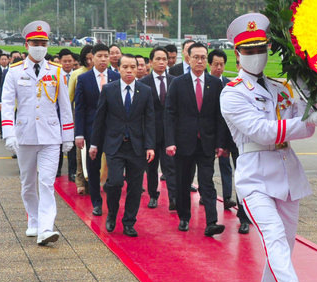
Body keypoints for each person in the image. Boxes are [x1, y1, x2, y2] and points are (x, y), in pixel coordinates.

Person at [220, 13, 317, 282]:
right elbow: (264, 132)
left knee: (277, 258)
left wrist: (315, 100)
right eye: (248, 49)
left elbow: (307, 124)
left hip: (287, 177)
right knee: (273, 241)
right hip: (255, 178)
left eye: (261, 47)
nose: (256, 54)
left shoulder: (282, 88)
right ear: (236, 54)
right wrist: (305, 121)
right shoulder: (232, 93)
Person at [1, 20, 74, 246]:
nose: (40, 47)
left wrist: (68, 136)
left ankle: (45, 228)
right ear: (26, 44)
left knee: (46, 182)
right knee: (27, 183)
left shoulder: (57, 71)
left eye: (43, 43)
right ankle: (33, 220)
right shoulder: (14, 72)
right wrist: (9, 133)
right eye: (35, 42)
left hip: (51, 136)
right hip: (25, 135)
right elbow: (6, 103)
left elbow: (65, 105)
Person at [164, 42, 226, 236]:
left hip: (206, 142)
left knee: (207, 182)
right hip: (183, 142)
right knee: (183, 181)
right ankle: (184, 217)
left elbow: (219, 116)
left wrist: (220, 143)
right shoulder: (178, 83)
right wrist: (170, 141)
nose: (200, 61)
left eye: (203, 57)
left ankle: (211, 221)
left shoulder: (215, 84)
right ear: (188, 59)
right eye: (196, 57)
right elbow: (170, 114)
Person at [90, 54, 155, 236]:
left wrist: (150, 146)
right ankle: (112, 213)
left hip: (137, 146)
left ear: (138, 69)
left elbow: (149, 121)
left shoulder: (145, 91)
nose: (129, 70)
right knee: (116, 182)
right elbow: (100, 119)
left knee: (135, 186)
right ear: (118, 68)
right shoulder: (109, 90)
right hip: (115, 145)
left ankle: (128, 222)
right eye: (125, 67)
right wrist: (94, 144)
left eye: (133, 67)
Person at [209, 48, 250, 233]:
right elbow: (221, 119)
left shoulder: (259, 87)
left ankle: (244, 217)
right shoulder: (226, 87)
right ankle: (226, 198)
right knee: (226, 170)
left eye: (221, 64)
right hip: (228, 140)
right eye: (216, 64)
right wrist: (222, 144)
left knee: (244, 178)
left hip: (247, 142)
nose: (219, 67)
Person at [75, 43, 119, 216]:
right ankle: (97, 202)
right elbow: (80, 108)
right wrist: (79, 134)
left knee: (115, 164)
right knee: (93, 167)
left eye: (106, 56)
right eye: (99, 56)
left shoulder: (116, 77)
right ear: (91, 58)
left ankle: (110, 190)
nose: (103, 59)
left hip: (113, 130)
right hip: (92, 130)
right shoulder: (84, 79)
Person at [140, 47, 177, 210]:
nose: (162, 62)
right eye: (158, 59)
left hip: (170, 131)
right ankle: (153, 195)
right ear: (151, 62)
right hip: (151, 131)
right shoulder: (143, 83)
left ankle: (174, 197)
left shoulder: (174, 81)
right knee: (152, 166)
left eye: (164, 59)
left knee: (170, 165)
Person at [69, 45, 94, 194]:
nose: (90, 62)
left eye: (93, 58)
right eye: (88, 59)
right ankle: (81, 180)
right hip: (81, 115)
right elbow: (69, 97)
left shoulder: (106, 75)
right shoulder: (78, 74)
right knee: (81, 152)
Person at [57, 48, 77, 180]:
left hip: (74, 114)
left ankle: (72, 172)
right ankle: (57, 170)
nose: (68, 64)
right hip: (58, 115)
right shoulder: (56, 75)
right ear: (60, 62)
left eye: (70, 61)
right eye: (65, 61)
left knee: (72, 144)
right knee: (57, 144)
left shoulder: (77, 76)